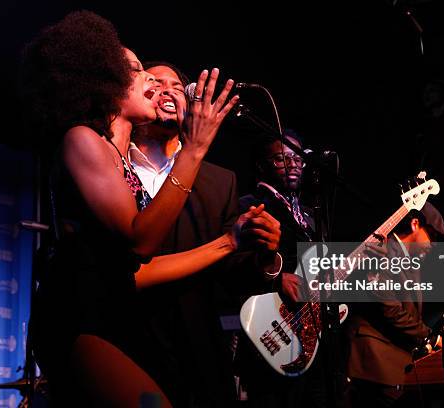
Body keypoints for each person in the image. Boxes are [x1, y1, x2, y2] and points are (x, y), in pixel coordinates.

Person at [21, 11, 241, 407]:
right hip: (79, 319)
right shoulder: (82, 140)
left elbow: (139, 270)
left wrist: (228, 241)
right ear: (102, 82)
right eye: (138, 70)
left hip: (115, 319)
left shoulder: (118, 160)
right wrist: (195, 149)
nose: (151, 80)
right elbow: (141, 242)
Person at [129, 61, 283, 407]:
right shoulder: (116, 167)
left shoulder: (219, 180)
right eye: (155, 83)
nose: (168, 90)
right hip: (130, 343)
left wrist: (267, 256)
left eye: (176, 86)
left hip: (197, 354)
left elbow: (231, 277)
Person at [238, 131, 340, 408]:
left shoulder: (309, 213)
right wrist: (276, 277)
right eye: (282, 158)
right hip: (272, 330)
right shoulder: (251, 204)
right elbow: (235, 265)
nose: (293, 164)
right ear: (262, 165)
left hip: (313, 338)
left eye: (298, 158)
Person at [346, 202, 444, 408]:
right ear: (415, 224)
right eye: (432, 236)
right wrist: (431, 337)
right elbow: (390, 310)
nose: (434, 245)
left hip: (397, 357)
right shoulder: (383, 248)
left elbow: (410, 313)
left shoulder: (413, 262)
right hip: (375, 359)